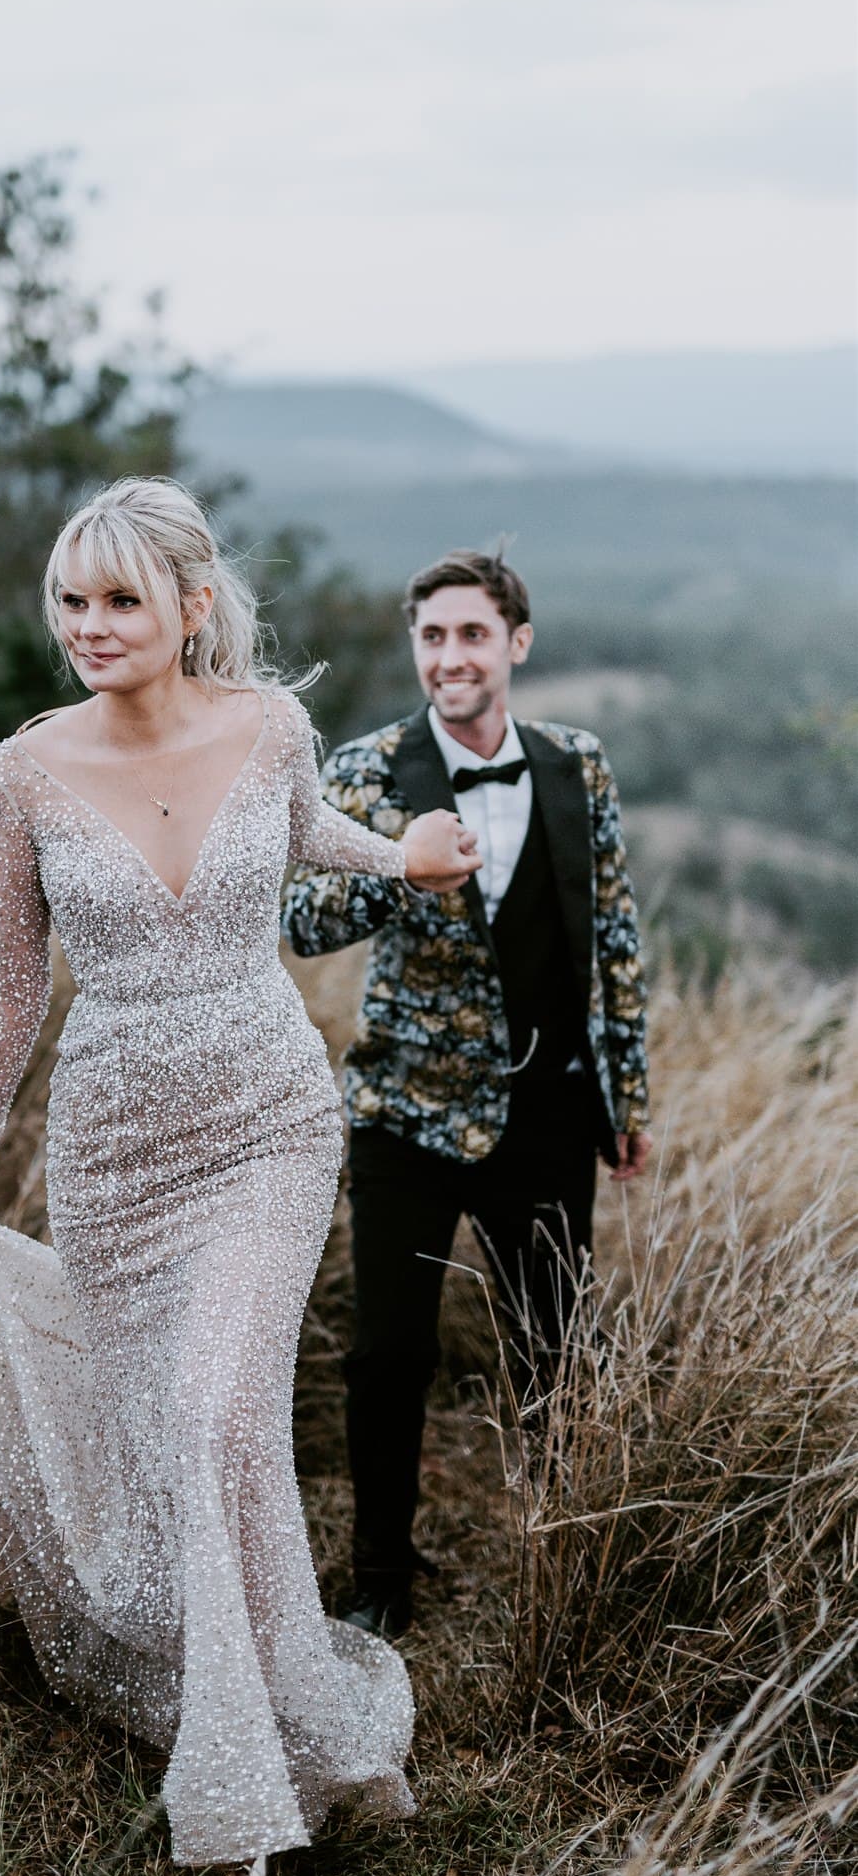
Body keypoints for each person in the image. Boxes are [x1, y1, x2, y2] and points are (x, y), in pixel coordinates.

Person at [0, 480, 481, 1876]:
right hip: (114, 1151)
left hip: (267, 1124)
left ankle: (242, 1768)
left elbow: (306, 834)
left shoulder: (270, 727)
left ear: (190, 609)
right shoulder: (19, 775)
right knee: (173, 1420)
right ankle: (217, 1675)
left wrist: (401, 852)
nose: (88, 627)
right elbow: (14, 977)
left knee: (221, 1402)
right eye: (71, 601)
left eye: (118, 601)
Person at [282, 549, 651, 1639]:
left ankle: (561, 1561)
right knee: (388, 1353)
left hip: (547, 1112)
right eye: (433, 636)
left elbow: (616, 940)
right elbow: (296, 922)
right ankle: (380, 1577)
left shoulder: (579, 764)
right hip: (404, 1109)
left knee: (552, 1349)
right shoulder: (368, 766)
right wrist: (398, 862)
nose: (451, 656)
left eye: (472, 635)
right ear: (416, 646)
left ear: (515, 644)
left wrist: (625, 1097)